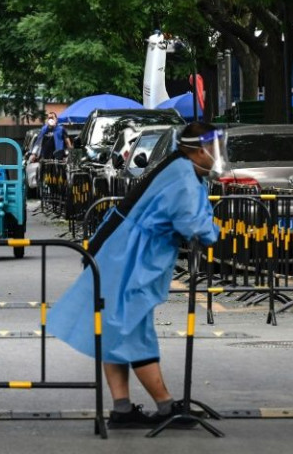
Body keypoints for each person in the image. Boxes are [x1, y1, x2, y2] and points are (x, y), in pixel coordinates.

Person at [47, 121, 223, 429]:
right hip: (129, 258)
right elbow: (194, 225)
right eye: (212, 148)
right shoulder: (182, 176)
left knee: (116, 329)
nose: (216, 154)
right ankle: (166, 406)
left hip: (120, 252)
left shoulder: (179, 167)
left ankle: (122, 409)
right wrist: (214, 232)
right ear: (197, 151)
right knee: (133, 331)